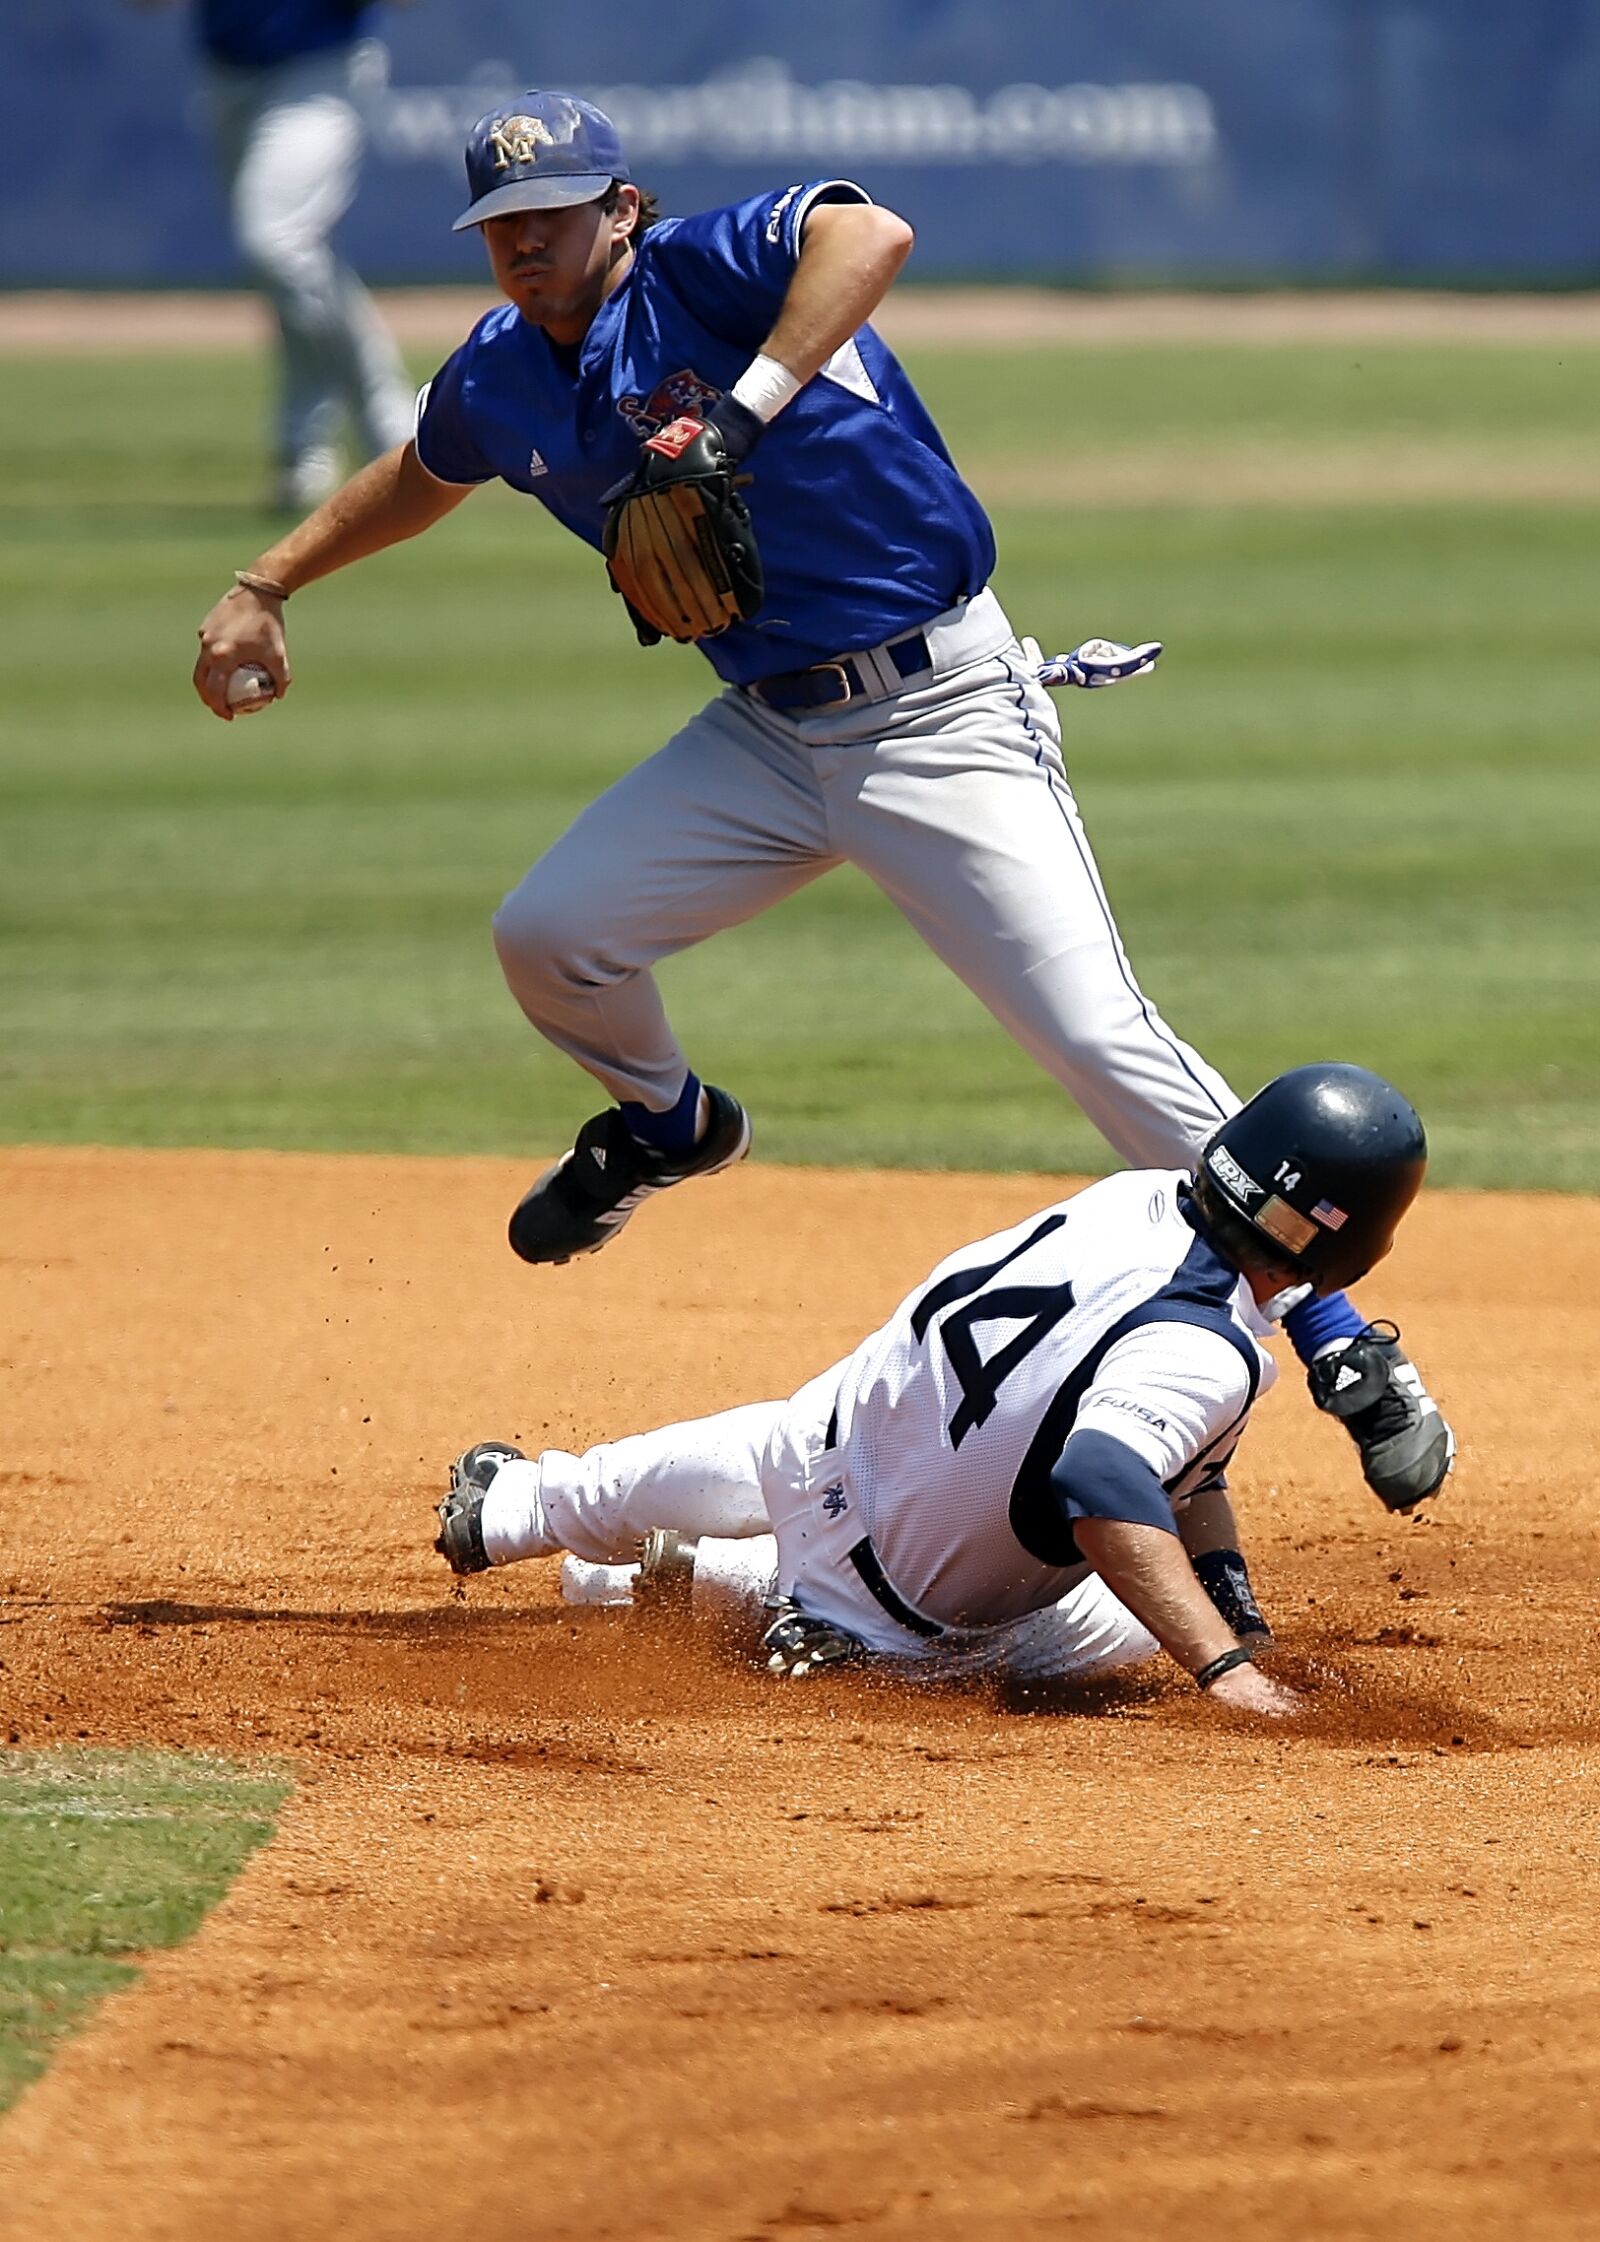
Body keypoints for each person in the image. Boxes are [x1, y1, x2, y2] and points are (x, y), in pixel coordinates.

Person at [191, 90, 1452, 1512]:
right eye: (499, 227)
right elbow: (423, 475)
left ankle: (1348, 1344)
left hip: (942, 714)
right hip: (768, 737)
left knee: (1101, 1039)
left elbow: (872, 233)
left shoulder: (703, 271)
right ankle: (667, 1125)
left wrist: (736, 414)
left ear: (622, 208)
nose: (524, 245)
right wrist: (266, 585)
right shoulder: (502, 369)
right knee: (550, 937)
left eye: (553, 216)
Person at [434, 1064, 1436, 1720]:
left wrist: (1241, 1614)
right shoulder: (1209, 1349)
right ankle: (748, 1598)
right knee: (1136, 1617)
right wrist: (1230, 1668)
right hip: (895, 1606)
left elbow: (1164, 1456)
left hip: (810, 1440)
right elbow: (1102, 1475)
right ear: (1349, 1244)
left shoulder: (1130, 1197)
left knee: (796, 1447)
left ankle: (523, 1506)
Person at [133, 0, 415, 508]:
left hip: (321, 67)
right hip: (227, 74)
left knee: (279, 241)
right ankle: (303, 445)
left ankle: (391, 424)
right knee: (298, 267)